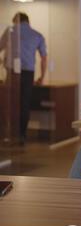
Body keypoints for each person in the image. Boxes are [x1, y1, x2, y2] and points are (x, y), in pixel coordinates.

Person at [0, 12, 47, 144]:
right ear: (28, 21)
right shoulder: (37, 35)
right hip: (28, 72)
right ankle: (22, 134)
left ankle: (9, 132)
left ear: (16, 21)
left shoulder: (10, 31)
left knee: (10, 102)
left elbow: (0, 47)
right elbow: (44, 57)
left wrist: (3, 61)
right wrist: (41, 77)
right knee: (24, 102)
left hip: (12, 72)